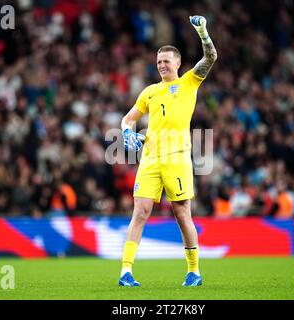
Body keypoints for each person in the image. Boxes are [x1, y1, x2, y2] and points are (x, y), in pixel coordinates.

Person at [118, 15, 217, 287]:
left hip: (177, 159)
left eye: (166, 61)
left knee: (182, 213)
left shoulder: (189, 82)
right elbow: (128, 119)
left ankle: (194, 272)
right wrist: (127, 133)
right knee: (140, 213)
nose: (162, 65)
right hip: (149, 159)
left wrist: (202, 32)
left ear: (178, 63)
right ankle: (126, 272)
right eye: (158, 62)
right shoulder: (149, 92)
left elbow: (210, 58)